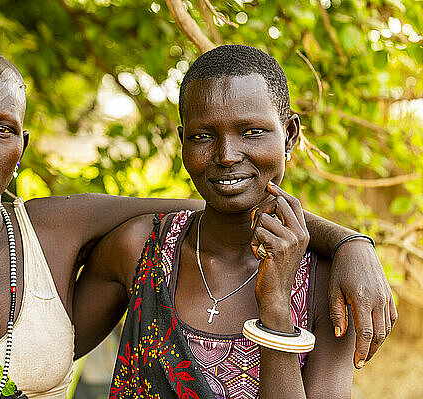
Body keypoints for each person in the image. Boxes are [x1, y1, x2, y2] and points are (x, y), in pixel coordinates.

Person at [0, 48, 392, 398]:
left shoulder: (54, 232)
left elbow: (217, 202)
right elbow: (210, 204)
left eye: (0, 128)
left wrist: (347, 244)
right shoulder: (140, 250)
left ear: (22, 147)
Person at [74, 45, 375, 398]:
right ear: (182, 141)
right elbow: (38, 360)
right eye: (203, 136)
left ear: (290, 135)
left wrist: (276, 309)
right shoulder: (140, 250)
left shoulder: (329, 284)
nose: (227, 156)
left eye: (251, 132)